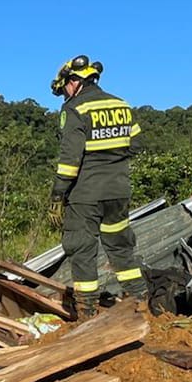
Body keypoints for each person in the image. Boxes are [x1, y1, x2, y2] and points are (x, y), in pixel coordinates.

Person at [48, 55, 146, 319]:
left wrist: (58, 194)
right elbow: (136, 144)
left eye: (65, 89)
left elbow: (70, 160)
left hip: (85, 195)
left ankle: (87, 313)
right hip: (119, 191)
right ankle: (140, 301)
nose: (65, 94)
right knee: (120, 247)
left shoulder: (74, 109)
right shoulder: (121, 104)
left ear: (73, 81)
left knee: (82, 249)